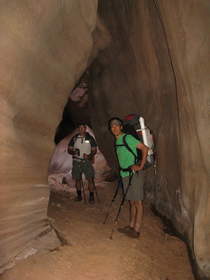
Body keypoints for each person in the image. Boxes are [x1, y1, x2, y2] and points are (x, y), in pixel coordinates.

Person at [109, 117, 148, 238]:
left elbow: (145, 148)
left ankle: (136, 230)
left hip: (134, 174)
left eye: (116, 125)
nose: (114, 127)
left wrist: (140, 166)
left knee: (138, 202)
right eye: (112, 126)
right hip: (125, 174)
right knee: (131, 202)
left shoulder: (127, 138)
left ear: (121, 127)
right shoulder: (117, 140)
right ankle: (131, 226)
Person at [68, 124, 97, 204]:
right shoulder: (74, 138)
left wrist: (89, 155)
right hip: (76, 161)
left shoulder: (90, 138)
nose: (81, 129)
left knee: (90, 179)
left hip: (86, 162)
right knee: (77, 179)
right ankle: (79, 196)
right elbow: (69, 149)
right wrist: (73, 152)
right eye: (79, 128)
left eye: (82, 128)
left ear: (85, 129)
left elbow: (94, 150)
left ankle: (91, 197)